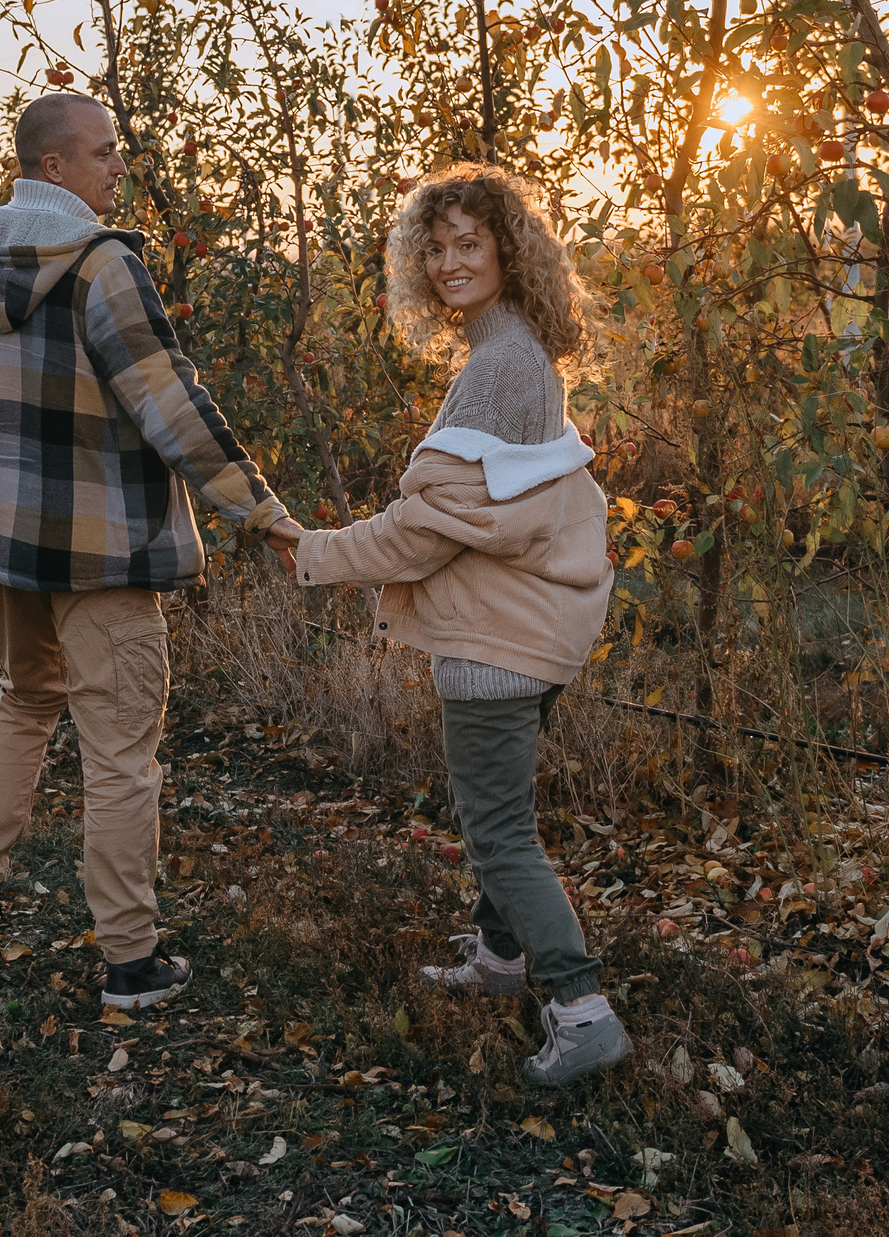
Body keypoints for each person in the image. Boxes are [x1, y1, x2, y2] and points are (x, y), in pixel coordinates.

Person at [0, 92, 289, 1011]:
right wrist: (263, 514)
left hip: (4, 545)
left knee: (25, 700)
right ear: (53, 167)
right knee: (119, 749)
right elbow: (171, 403)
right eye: (105, 154)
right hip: (104, 552)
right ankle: (130, 962)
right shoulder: (103, 266)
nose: (119, 168)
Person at [265, 163, 623, 1087]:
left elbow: (425, 533)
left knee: (498, 831)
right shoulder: (509, 345)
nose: (450, 261)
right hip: (533, 627)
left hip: (498, 643)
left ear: (507, 248)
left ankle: (582, 1009)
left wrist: (316, 550)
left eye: (469, 243)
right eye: (435, 247)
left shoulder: (499, 364)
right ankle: (503, 963)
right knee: (502, 815)